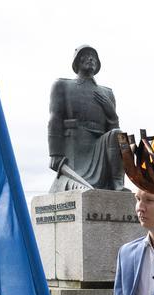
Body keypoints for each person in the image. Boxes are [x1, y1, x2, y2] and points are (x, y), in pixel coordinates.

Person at [47, 45, 126, 192]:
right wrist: (55, 153)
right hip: (76, 144)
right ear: (77, 61)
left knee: (119, 135)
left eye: (93, 56)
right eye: (86, 55)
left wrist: (112, 114)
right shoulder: (62, 85)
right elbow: (55, 119)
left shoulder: (107, 93)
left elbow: (114, 128)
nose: (90, 58)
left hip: (100, 144)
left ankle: (117, 182)